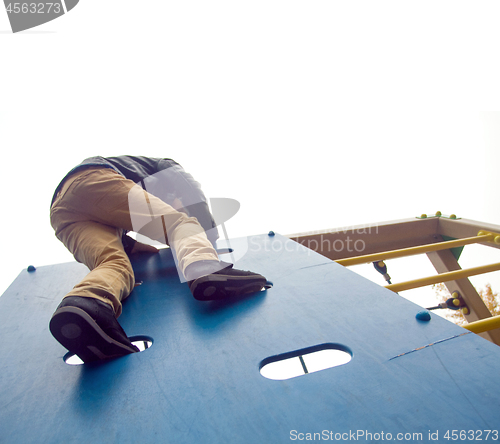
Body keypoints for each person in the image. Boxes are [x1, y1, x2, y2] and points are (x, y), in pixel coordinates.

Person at [49, 156, 269, 363]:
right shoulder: (164, 168)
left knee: (113, 263)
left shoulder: (120, 205)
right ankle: (204, 268)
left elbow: (115, 226)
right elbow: (188, 186)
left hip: (62, 211)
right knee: (181, 224)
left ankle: (87, 306)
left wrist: (133, 246)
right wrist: (208, 235)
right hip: (93, 178)